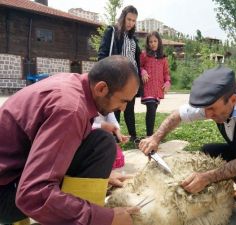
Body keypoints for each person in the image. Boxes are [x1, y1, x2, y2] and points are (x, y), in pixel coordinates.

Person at [139, 66, 236, 225]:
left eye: (212, 109)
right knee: (210, 152)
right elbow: (178, 115)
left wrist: (206, 177)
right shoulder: (217, 102)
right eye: (205, 109)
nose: (207, 115)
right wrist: (155, 138)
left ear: (233, 100)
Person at [0, 56, 140, 225]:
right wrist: (105, 218)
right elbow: (32, 194)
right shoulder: (70, 109)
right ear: (102, 88)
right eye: (123, 101)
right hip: (6, 193)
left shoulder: (74, 85)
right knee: (103, 145)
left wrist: (100, 177)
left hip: (14, 173)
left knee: (99, 143)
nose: (123, 108)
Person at [98, 5, 142, 142]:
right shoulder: (112, 32)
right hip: (117, 76)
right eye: (128, 19)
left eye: (134, 21)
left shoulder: (133, 38)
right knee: (115, 107)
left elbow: (136, 59)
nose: (130, 23)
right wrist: (105, 73)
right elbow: (102, 53)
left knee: (129, 108)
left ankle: (133, 136)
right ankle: (114, 136)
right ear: (123, 17)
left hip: (131, 78)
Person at [140, 31, 171, 136]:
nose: (153, 43)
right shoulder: (144, 55)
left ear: (159, 42)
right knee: (151, 109)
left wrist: (167, 82)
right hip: (148, 87)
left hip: (158, 89)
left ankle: (150, 134)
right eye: (150, 42)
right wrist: (143, 72)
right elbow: (139, 66)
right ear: (148, 43)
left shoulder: (163, 58)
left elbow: (166, 73)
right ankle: (149, 135)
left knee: (153, 111)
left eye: (155, 41)